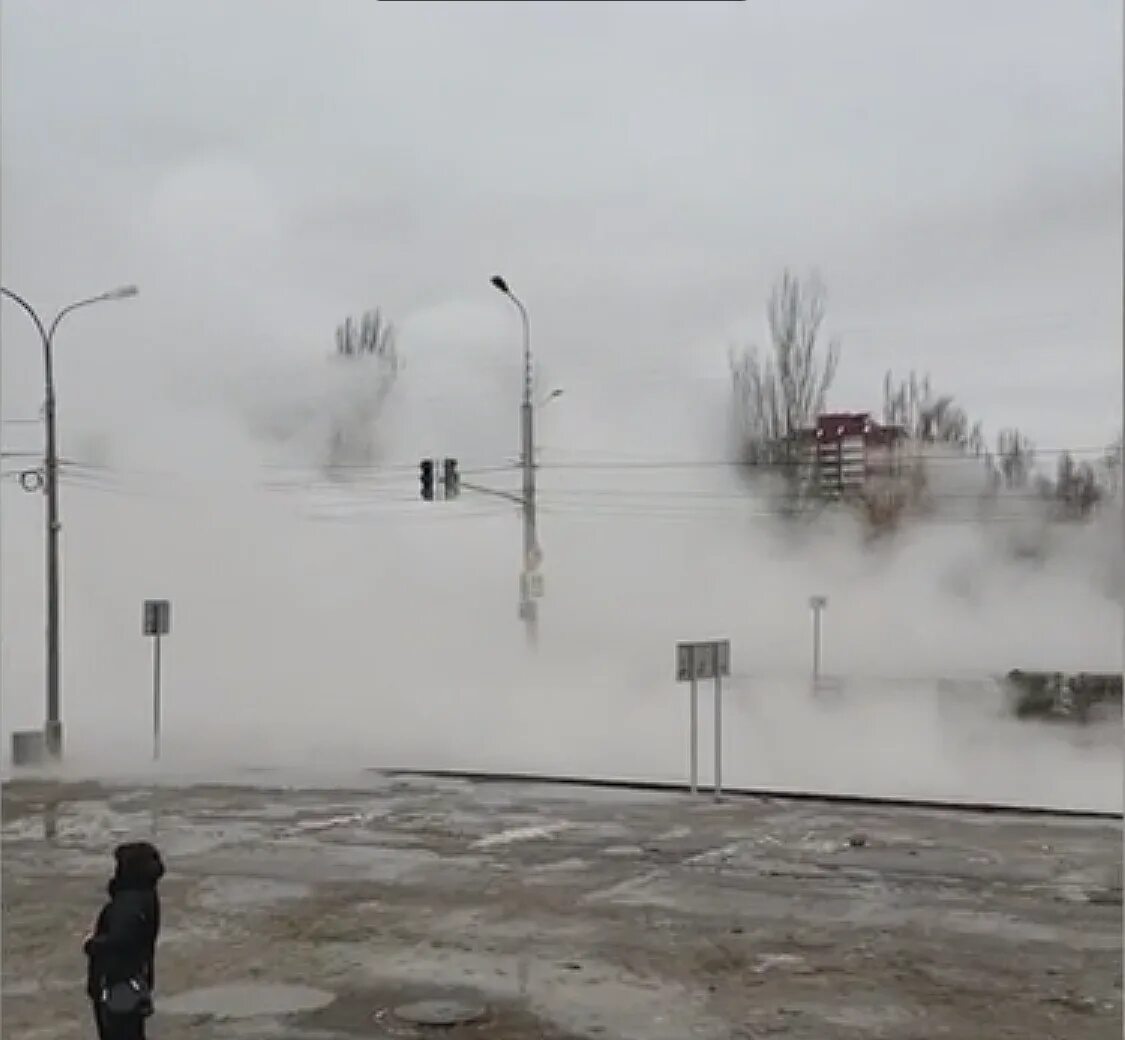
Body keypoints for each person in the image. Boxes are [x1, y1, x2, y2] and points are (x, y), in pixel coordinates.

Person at [84, 841, 164, 1040]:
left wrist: (92, 945)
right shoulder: (146, 894)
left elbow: (120, 940)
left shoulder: (127, 903)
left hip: (117, 983)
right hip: (136, 979)